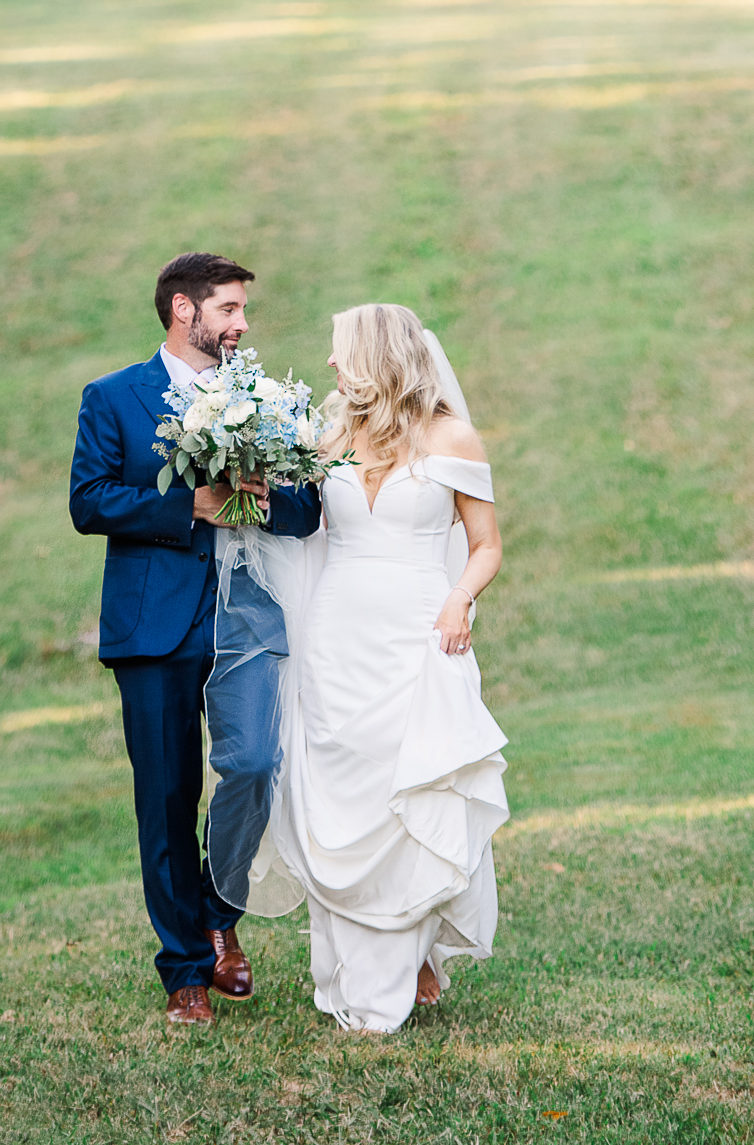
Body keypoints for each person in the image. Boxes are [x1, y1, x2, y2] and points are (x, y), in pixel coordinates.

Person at [69, 252, 323, 1027]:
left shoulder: (269, 400)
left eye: (242, 311)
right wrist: (195, 506)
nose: (243, 325)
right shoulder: (113, 397)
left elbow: (308, 512)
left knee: (253, 765)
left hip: (249, 618)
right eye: (230, 310)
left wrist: (261, 498)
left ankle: (219, 910)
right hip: (156, 628)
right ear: (185, 310)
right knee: (168, 797)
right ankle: (185, 971)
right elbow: (90, 500)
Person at [266, 304, 509, 1032]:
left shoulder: (451, 438)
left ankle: (408, 958)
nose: (333, 367)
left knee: (408, 789)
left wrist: (460, 599)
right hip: (336, 634)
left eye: (342, 352)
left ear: (378, 355)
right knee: (341, 791)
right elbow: (294, 523)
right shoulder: (328, 436)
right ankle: (354, 963)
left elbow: (487, 544)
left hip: (417, 635)